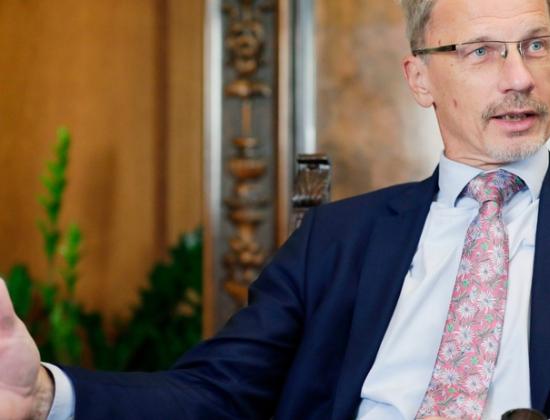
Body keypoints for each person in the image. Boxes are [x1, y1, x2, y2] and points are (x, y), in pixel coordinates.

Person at [3, 0, 550, 418]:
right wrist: (44, 395)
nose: (520, 78)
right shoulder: (336, 239)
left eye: (536, 45)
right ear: (419, 78)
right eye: (481, 51)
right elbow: (218, 391)